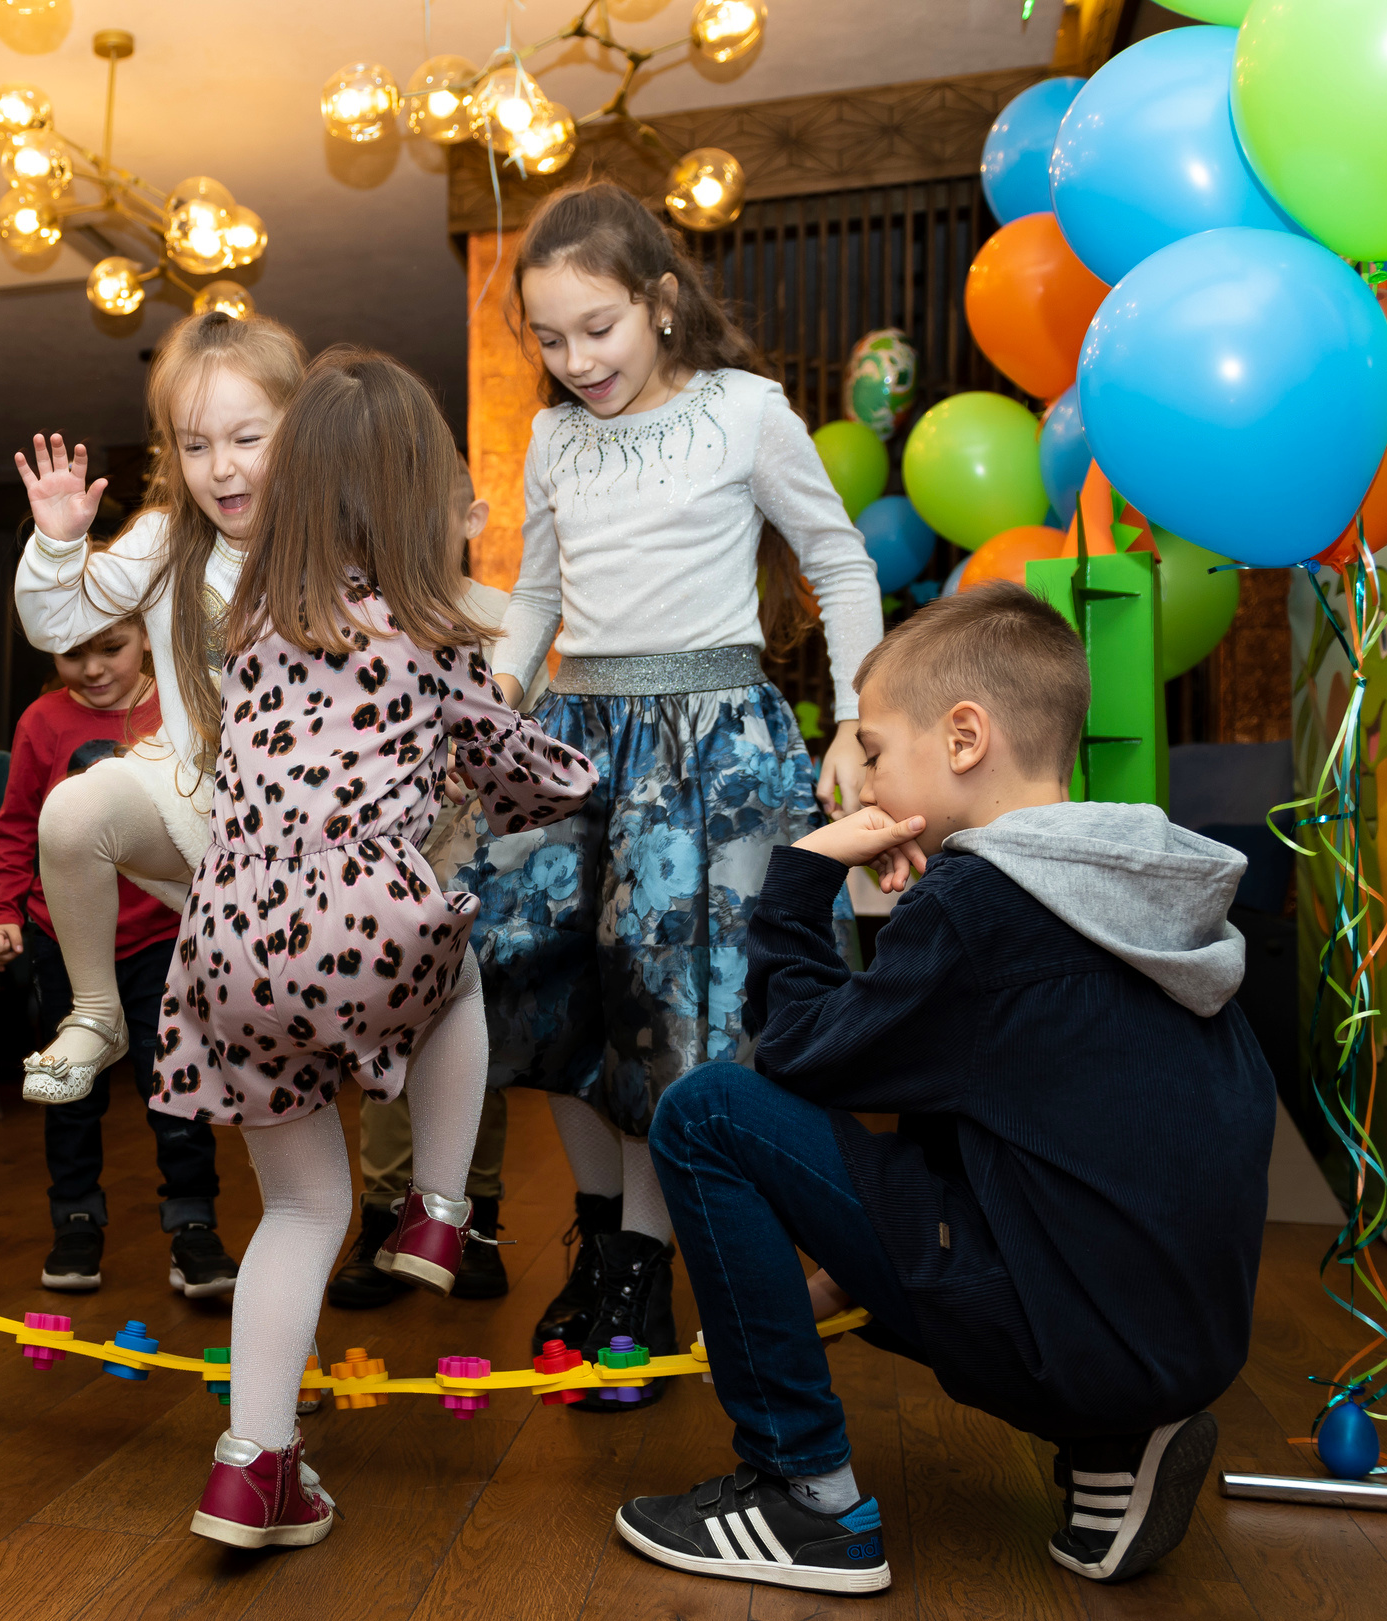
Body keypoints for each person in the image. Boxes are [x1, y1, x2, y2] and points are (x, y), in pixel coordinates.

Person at [617, 582, 1273, 1593]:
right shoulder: (1135, 890)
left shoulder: (981, 906)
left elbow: (798, 1053)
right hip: (1168, 1338)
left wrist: (802, 878)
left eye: (875, 750)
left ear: (964, 737)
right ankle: (1110, 1445)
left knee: (706, 1111)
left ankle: (802, 1496)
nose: (864, 783)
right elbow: (1011, 1116)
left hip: (1072, 1343)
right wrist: (838, 1277)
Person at [158, 349, 596, 1551]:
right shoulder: (434, 632)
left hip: (227, 939)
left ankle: (252, 1469)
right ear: (417, 500)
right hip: (358, 914)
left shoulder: (250, 624)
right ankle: (441, 1209)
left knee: (300, 1206)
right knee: (454, 967)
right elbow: (515, 768)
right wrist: (585, 777)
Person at [456, 182, 884, 1405]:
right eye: (549, 339)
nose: (575, 359)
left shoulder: (744, 411)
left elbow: (838, 559)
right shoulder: (553, 438)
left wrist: (857, 717)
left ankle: (641, 1272)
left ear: (658, 301)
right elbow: (538, 595)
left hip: (708, 748)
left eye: (596, 328)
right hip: (577, 736)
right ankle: (603, 1241)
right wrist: (495, 696)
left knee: (667, 1015)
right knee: (541, 989)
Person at [10, 310, 307, 1106]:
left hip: (318, 822)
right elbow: (56, 624)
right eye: (196, 445)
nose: (222, 467)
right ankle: (97, 1011)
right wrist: (59, 545)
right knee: (71, 813)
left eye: (247, 438)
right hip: (203, 801)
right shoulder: (163, 540)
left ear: (299, 427)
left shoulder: (331, 540)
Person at [330, 460, 537, 1308]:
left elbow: (530, 739)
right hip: (395, 865)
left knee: (474, 1044)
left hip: (486, 862)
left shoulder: (506, 620)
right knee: (386, 1034)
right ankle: (385, 1215)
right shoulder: (362, 620)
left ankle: (473, 1217)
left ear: (470, 519)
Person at [0, 616, 237, 1297]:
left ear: (146, 633)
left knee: (175, 1083)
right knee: (70, 1091)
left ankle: (194, 1225)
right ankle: (75, 1222)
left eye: (110, 648)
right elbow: (17, 825)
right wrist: (3, 910)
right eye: (74, 654)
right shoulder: (40, 721)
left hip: (160, 937)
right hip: (63, 944)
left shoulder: (181, 707)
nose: (93, 668)